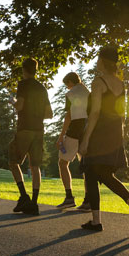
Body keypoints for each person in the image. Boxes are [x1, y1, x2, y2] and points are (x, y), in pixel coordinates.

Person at [78, 46, 129, 232]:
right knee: (91, 174)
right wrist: (120, 137)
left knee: (102, 174)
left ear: (102, 61)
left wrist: (86, 139)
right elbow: (121, 114)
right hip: (114, 132)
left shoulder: (98, 82)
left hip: (99, 131)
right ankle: (96, 221)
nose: (96, 62)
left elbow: (96, 111)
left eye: (98, 58)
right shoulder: (120, 84)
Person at [9, 57, 53, 215]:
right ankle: (34, 203)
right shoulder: (42, 88)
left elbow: (19, 105)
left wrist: (12, 101)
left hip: (25, 128)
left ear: (24, 70)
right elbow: (49, 114)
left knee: (14, 162)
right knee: (35, 167)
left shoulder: (23, 85)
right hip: (39, 130)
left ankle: (23, 196)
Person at [56, 72, 90, 210]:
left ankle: (69, 197)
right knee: (86, 167)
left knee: (63, 162)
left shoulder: (70, 94)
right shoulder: (89, 92)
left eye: (67, 85)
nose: (67, 88)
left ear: (70, 81)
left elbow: (69, 116)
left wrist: (61, 135)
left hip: (75, 129)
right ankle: (88, 199)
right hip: (88, 129)